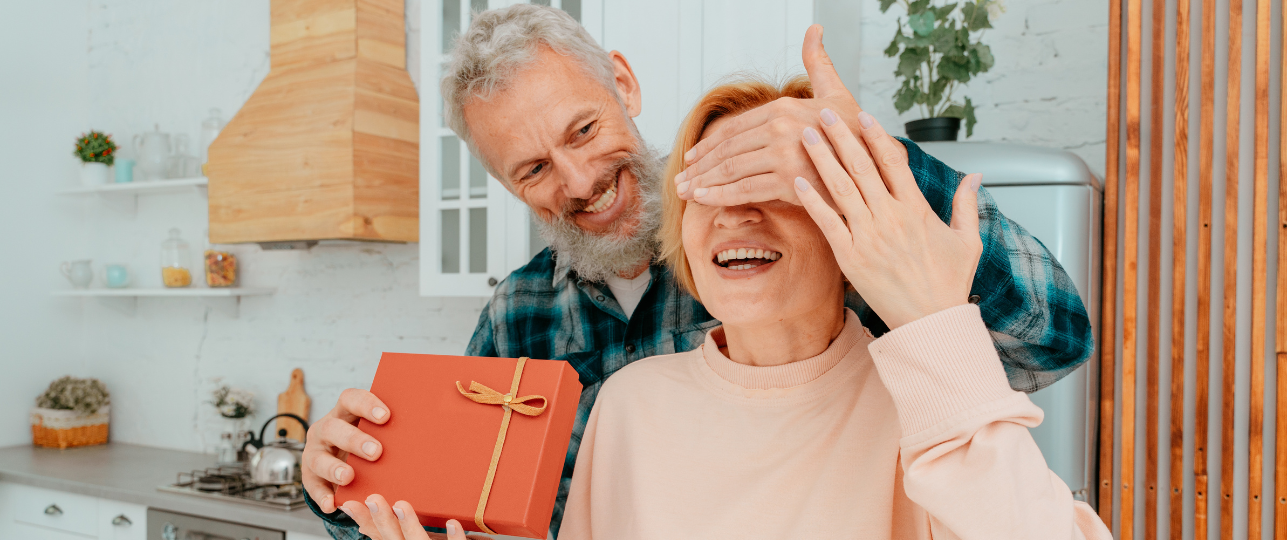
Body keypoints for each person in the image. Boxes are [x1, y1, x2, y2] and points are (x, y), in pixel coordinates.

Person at [302, 6, 1095, 540]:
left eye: (583, 130)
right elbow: (452, 507)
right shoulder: (519, 314)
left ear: (624, 84)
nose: (577, 181)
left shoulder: (799, 261)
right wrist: (339, 482)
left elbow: (1051, 337)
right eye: (533, 169)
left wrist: (861, 163)